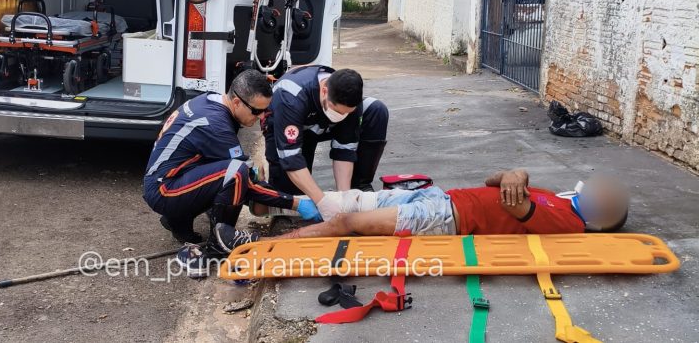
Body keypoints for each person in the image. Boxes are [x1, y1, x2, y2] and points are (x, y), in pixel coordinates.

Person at [142, 70, 321, 276]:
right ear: (237, 102)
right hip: (165, 190)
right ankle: (218, 244)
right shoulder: (216, 123)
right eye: (256, 111)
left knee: (231, 172)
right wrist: (296, 203)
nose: (261, 117)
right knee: (237, 173)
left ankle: (177, 220)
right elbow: (244, 181)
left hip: (169, 180)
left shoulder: (212, 103)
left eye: (265, 111)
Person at [211, 169, 631, 253]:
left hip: (447, 220)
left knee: (349, 223)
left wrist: (514, 185)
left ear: (601, 218)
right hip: (440, 198)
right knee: (347, 202)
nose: (603, 188)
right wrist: (514, 171)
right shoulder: (560, 198)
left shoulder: (568, 221)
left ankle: (258, 247)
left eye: (609, 198)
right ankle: (270, 204)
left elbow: (518, 208)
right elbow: (492, 181)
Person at [263, 66, 390, 204]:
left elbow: (345, 150)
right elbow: (291, 159)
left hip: (323, 124)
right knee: (292, 197)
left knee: (376, 109)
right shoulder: (290, 97)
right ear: (324, 91)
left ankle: (359, 186)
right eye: (337, 111)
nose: (341, 116)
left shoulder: (350, 100)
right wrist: (323, 202)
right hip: (288, 128)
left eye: (346, 113)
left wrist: (345, 199)